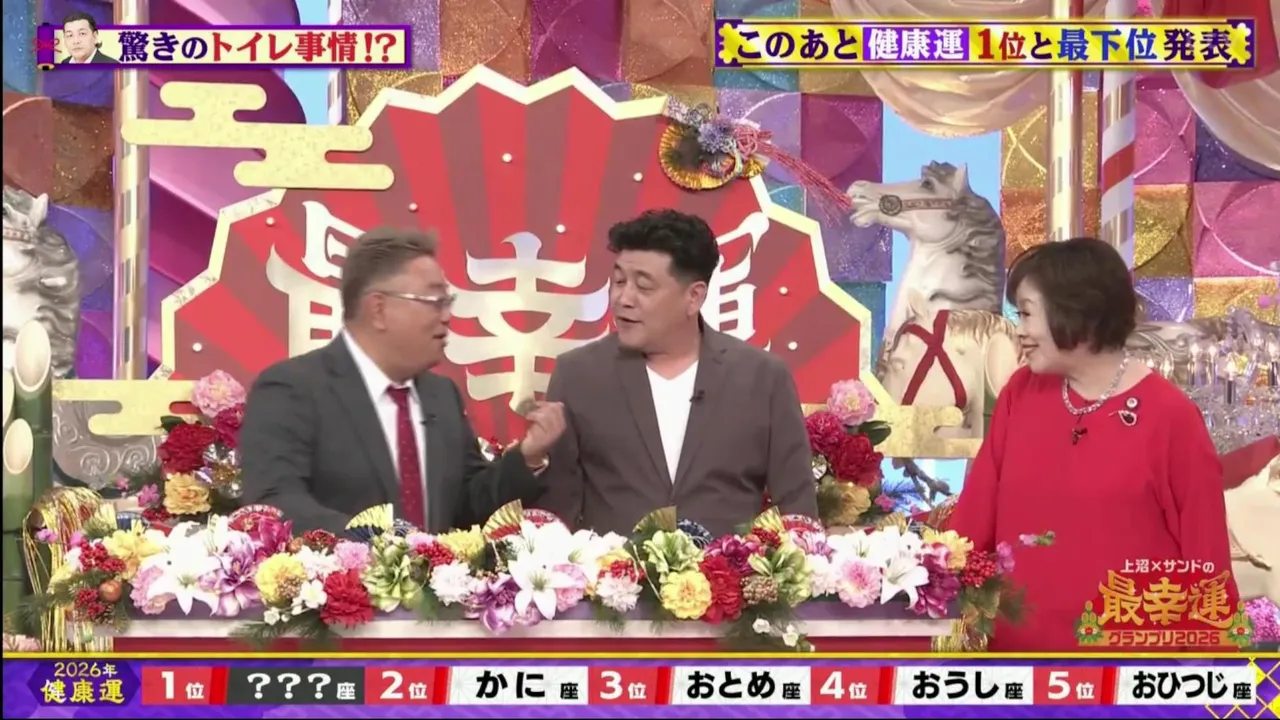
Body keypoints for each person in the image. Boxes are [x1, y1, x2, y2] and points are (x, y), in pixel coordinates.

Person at [946, 237, 1236, 652]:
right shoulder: (1020, 394)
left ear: (1075, 313)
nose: (1019, 331)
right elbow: (972, 526)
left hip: (1131, 671)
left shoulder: (1171, 417)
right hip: (1018, 665)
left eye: (1026, 313)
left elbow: (1207, 561)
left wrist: (1208, 673)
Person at [239, 227, 566, 534]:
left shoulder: (441, 396)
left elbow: (467, 506)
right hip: (339, 576)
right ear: (378, 309)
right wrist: (385, 544)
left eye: (448, 302)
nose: (447, 316)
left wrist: (527, 456)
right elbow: (276, 502)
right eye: (434, 301)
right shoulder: (292, 389)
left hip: (438, 578)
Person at [534, 209, 818, 537]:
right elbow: (556, 513)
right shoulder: (578, 374)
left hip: (728, 569)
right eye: (619, 282)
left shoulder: (762, 377)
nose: (623, 299)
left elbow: (797, 509)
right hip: (610, 568)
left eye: (644, 286)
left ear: (694, 297)